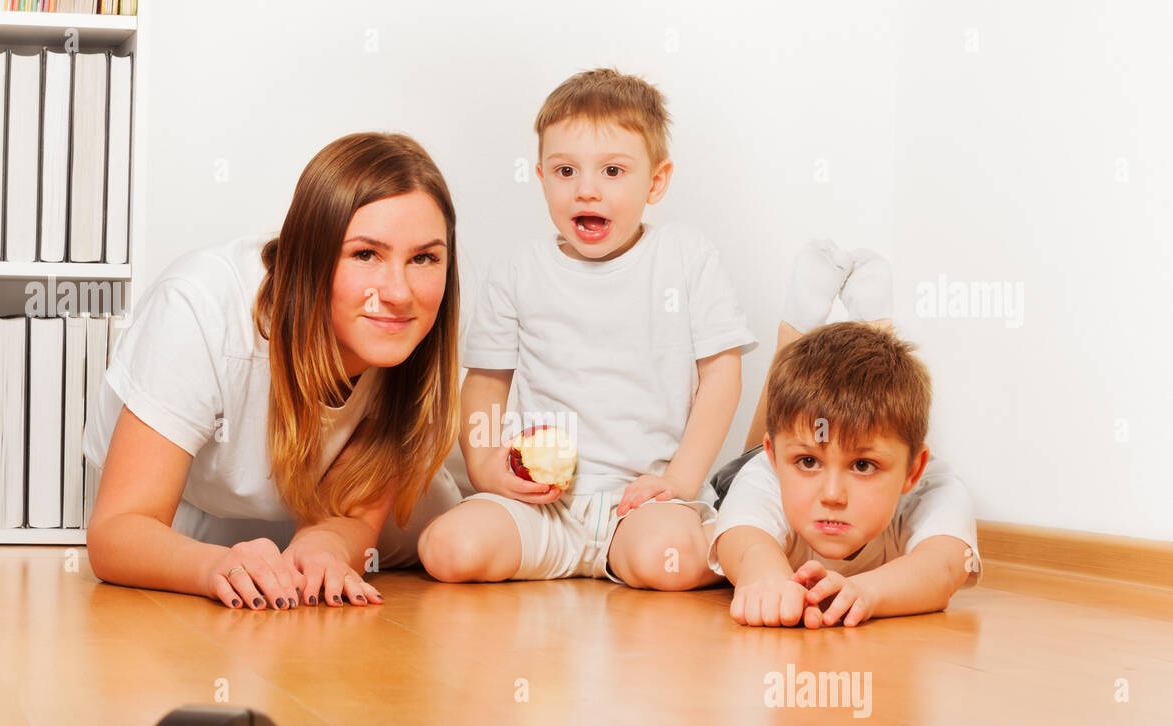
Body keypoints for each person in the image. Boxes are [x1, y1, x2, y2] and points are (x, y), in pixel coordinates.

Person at [83, 133, 463, 611]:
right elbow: (117, 531)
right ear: (312, 256)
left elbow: (352, 506)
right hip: (186, 510)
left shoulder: (406, 341)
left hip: (299, 506)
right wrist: (213, 568)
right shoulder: (200, 307)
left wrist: (320, 552)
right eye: (365, 254)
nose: (399, 292)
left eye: (424, 258)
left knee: (443, 522)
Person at [417, 67, 757, 589]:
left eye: (613, 172)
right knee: (447, 550)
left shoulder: (683, 257)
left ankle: (645, 548)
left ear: (657, 181)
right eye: (566, 171)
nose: (587, 192)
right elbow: (485, 383)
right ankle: (558, 552)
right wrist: (486, 467)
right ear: (541, 177)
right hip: (542, 506)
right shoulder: (518, 269)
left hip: (641, 503)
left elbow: (721, 376)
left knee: (669, 556)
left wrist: (677, 481)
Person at [710, 242, 982, 628]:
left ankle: (875, 332)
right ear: (777, 460)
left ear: (913, 470)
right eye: (808, 464)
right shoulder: (764, 474)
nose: (832, 495)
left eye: (864, 465)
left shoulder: (934, 487)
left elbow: (943, 567)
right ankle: (796, 331)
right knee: (783, 407)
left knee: (866, 401)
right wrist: (765, 577)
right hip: (751, 465)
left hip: (806, 440)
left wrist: (868, 592)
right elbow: (743, 540)